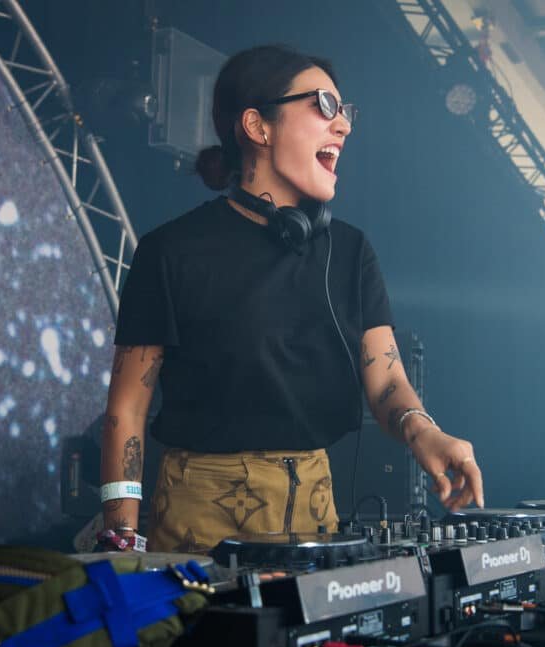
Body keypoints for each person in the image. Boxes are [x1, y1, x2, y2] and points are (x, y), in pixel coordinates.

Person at [100, 44, 484, 553]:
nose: (343, 125)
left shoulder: (350, 251)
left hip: (314, 510)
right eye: (323, 105)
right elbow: (126, 410)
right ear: (258, 127)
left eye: (344, 112)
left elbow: (387, 379)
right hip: (201, 515)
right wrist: (123, 536)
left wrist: (424, 433)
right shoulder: (170, 251)